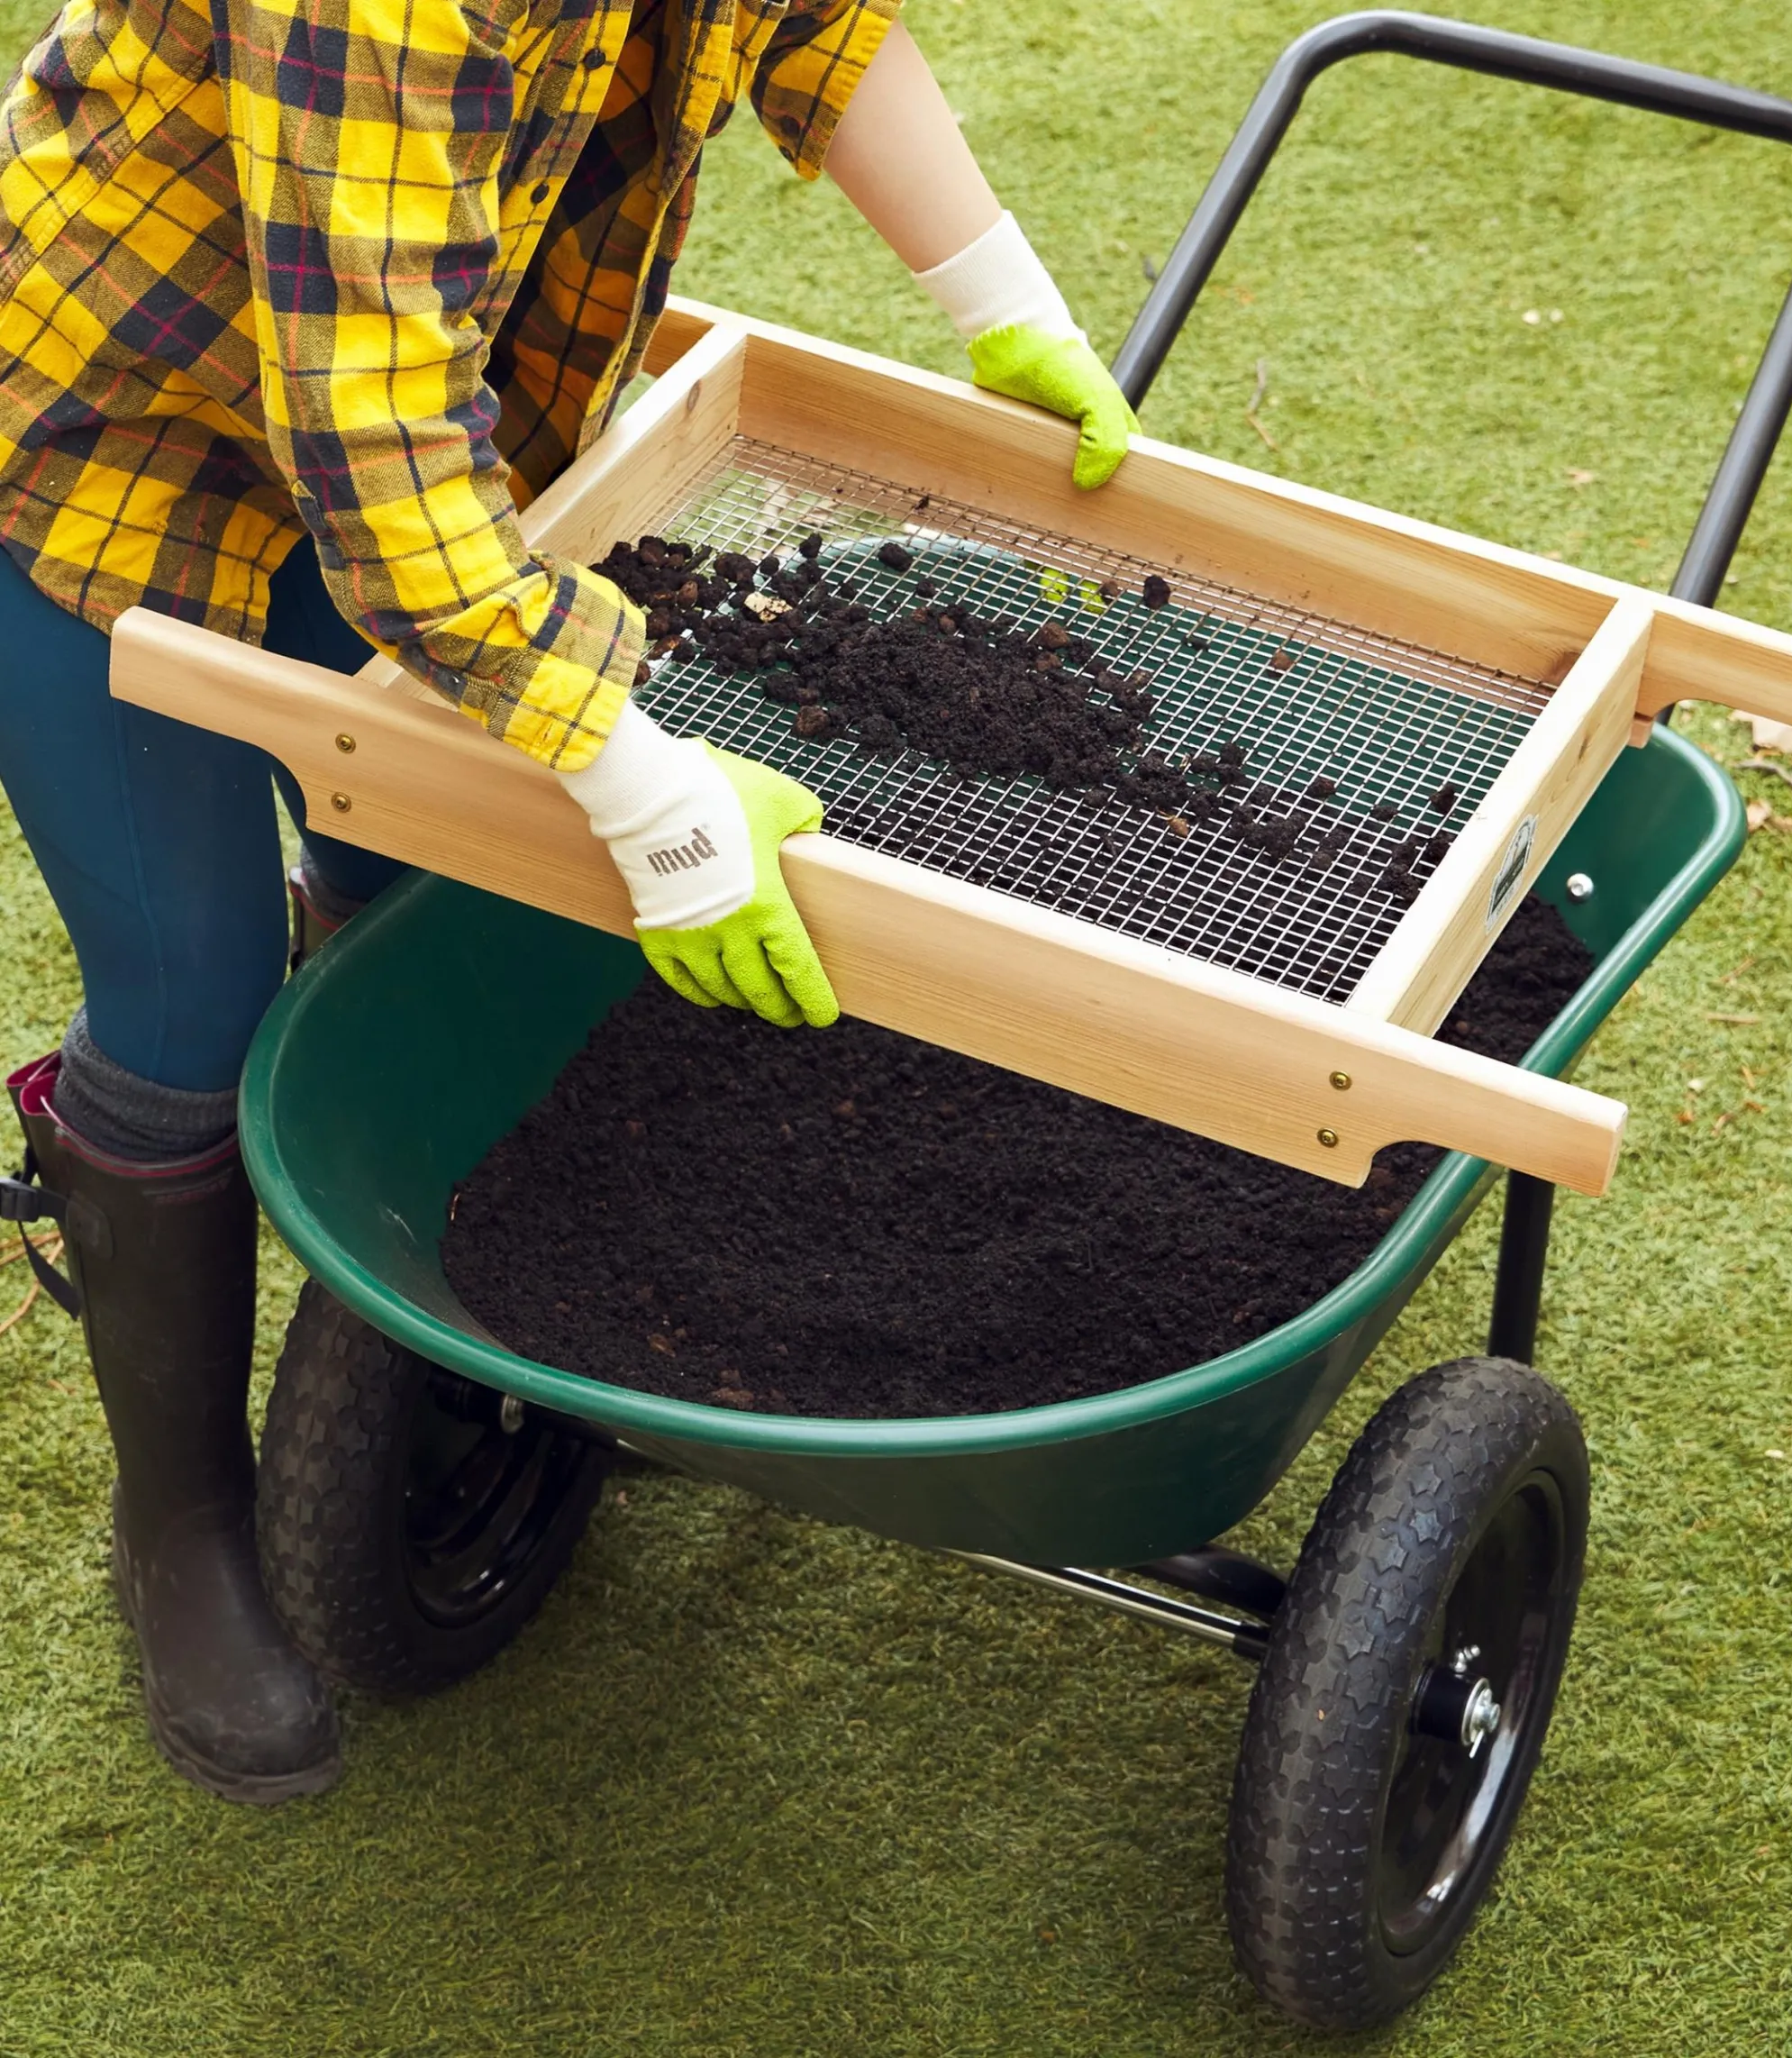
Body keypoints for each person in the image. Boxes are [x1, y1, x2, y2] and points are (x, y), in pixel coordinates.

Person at [0, 0, 1136, 1801]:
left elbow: (813, 24)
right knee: (191, 997)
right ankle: (185, 1528)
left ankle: (402, 1324)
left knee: (415, 901)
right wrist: (649, 791)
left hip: (419, 462)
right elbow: (370, 447)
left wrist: (1004, 301)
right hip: (110, 454)